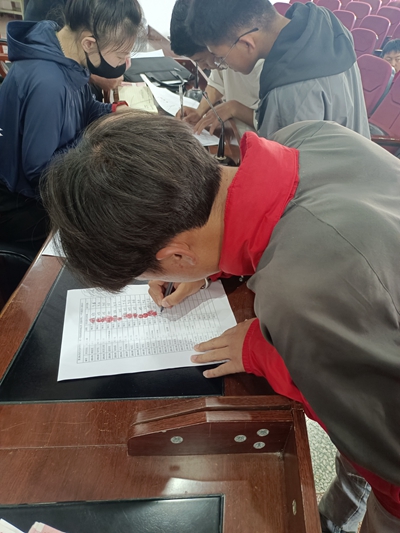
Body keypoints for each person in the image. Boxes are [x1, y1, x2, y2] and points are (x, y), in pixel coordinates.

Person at [43, 112, 400, 532]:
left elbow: (382, 441)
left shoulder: (301, 299)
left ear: (178, 256)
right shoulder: (307, 134)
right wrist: (210, 266)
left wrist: (261, 352)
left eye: (154, 272)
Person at [0, 0, 142, 257]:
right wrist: (96, 144)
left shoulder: (66, 55)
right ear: (89, 43)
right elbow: (40, 172)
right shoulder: (48, 84)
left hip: (34, 183)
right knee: (109, 225)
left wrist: (113, 112)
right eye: (121, 55)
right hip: (18, 202)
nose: (124, 63)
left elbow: (84, 107)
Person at [185, 0, 370, 140]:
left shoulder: (287, 93)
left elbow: (287, 170)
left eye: (221, 57)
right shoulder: (324, 25)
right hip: (361, 162)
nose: (220, 65)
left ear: (246, 43)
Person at [170, 0, 263, 137]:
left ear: (211, 44)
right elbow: (217, 83)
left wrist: (233, 108)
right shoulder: (222, 54)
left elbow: (274, 121)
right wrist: (199, 111)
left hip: (261, 140)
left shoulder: (258, 62)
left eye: (201, 60)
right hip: (239, 133)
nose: (202, 67)